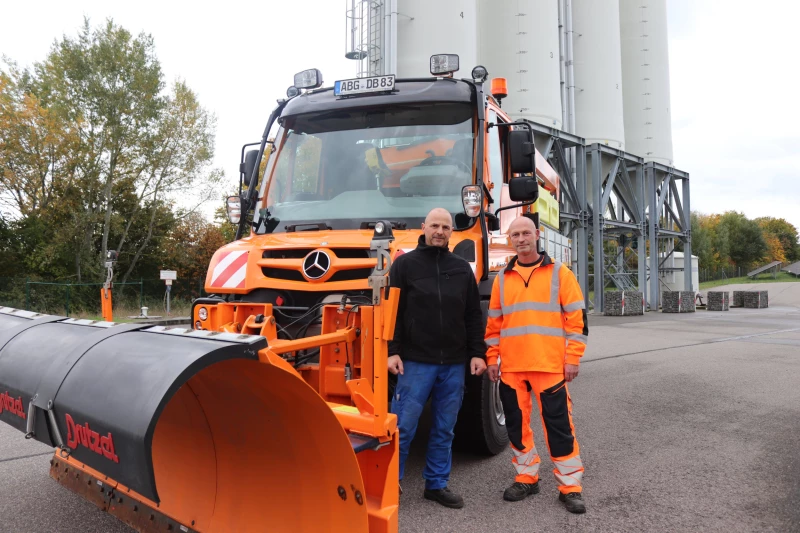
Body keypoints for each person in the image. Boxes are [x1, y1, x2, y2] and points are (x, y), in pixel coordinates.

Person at [485, 215, 588, 514]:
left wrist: (573, 359)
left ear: (537, 235)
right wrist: (493, 360)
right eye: (515, 234)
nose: (521, 239)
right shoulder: (502, 279)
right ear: (510, 239)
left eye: (525, 233)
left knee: (559, 427)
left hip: (550, 366)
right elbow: (494, 325)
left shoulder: (560, 273)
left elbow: (577, 322)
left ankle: (570, 487)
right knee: (517, 428)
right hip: (512, 369)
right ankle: (526, 478)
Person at [387, 207, 487, 509]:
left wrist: (477, 353)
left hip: (454, 364)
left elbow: (472, 315)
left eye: (445, 227)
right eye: (434, 226)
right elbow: (394, 315)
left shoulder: (461, 269)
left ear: (451, 232)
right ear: (424, 227)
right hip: (415, 362)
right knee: (403, 427)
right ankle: (390, 485)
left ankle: (436, 483)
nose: (440, 231)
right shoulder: (404, 265)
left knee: (445, 427)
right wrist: (392, 351)